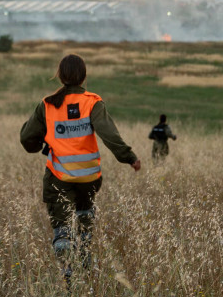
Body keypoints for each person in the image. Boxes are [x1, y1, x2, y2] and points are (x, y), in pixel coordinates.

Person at [20, 54, 141, 281]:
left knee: (63, 227)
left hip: (59, 177)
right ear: (84, 77)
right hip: (89, 178)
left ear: (60, 76)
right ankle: (84, 256)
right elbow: (109, 134)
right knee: (84, 218)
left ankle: (67, 262)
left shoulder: (47, 104)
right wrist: (129, 157)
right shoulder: (93, 102)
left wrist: (41, 145)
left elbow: (27, 138)